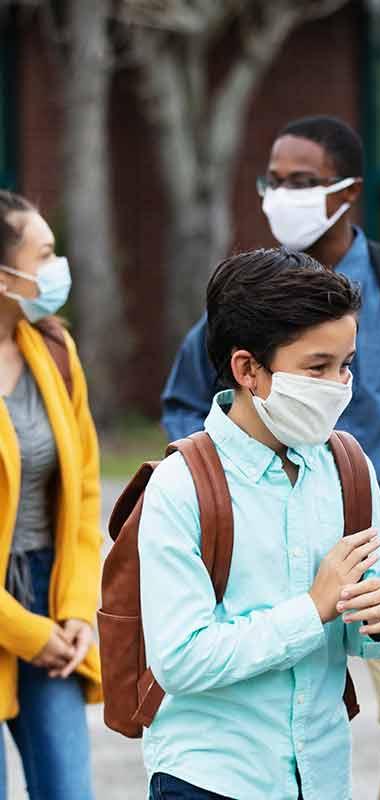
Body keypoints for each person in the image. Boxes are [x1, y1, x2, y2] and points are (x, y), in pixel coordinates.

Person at [160, 116, 380, 800]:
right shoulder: (247, 301)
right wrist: (224, 482)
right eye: (273, 182)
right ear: (249, 367)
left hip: (376, 534)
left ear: (349, 191)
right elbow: (186, 404)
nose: (282, 196)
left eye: (302, 182)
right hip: (251, 536)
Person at [140, 248, 380, 799]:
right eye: (316, 368)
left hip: (322, 776)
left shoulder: (350, 469)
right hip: (211, 780)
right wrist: (312, 609)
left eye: (346, 364)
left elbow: (367, 643)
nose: (338, 384)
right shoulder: (181, 484)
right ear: (248, 370)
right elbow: (179, 660)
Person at [0, 190, 101, 800]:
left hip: (48, 592)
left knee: (69, 790)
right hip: (16, 617)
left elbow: (85, 490)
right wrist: (25, 633)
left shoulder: (55, 350)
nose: (58, 268)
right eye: (44, 254)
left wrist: (75, 610)